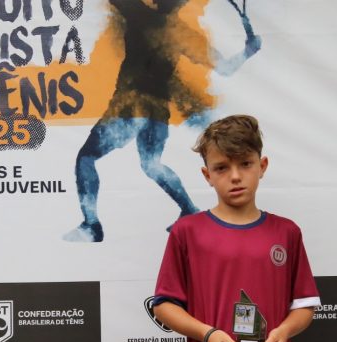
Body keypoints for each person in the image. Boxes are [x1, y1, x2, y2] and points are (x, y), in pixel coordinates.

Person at [152, 115, 320, 342]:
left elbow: (305, 305)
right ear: (206, 175)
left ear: (262, 166)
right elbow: (165, 305)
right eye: (222, 167)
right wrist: (209, 335)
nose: (235, 176)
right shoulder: (187, 232)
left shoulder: (287, 232)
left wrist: (282, 332)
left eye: (245, 164)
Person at [64, 0, 262, 242]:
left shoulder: (138, 12)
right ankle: (189, 210)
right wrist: (248, 51)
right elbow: (227, 68)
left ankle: (91, 226)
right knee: (152, 164)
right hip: (157, 113)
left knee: (86, 158)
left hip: (131, 106)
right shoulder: (184, 34)